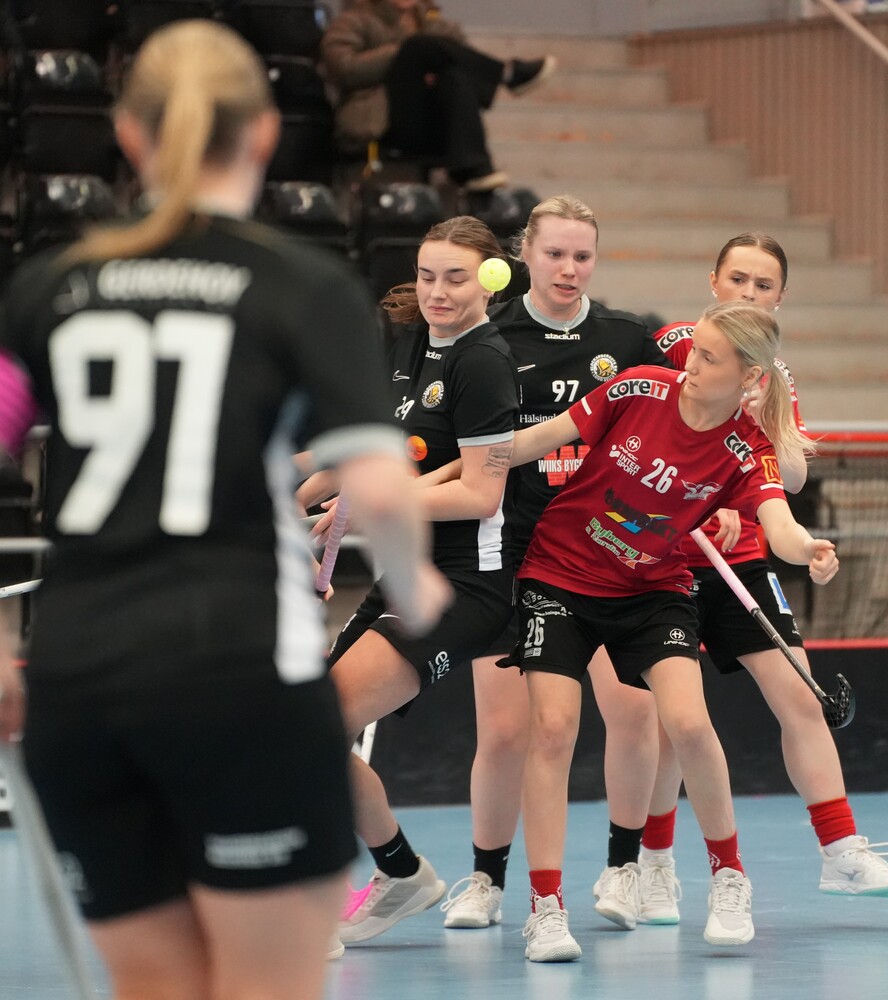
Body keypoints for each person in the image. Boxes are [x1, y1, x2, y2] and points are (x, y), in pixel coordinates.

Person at [0, 21, 448, 1000]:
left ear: (128, 134)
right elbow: (378, 484)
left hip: (82, 683)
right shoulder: (303, 286)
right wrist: (419, 594)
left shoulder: (49, 286)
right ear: (264, 134)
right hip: (241, 680)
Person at [501, 300, 841, 961]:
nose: (690, 366)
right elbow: (530, 443)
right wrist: (454, 459)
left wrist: (808, 551)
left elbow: (779, 523)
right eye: (695, 350)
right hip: (559, 573)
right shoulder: (638, 388)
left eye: (709, 359)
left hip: (652, 589)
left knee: (687, 723)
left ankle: (729, 877)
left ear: (749, 378)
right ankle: (545, 908)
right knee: (553, 729)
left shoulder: (748, 448)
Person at [619, 233, 888, 926]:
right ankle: (655, 867)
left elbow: (793, 475)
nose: (748, 293)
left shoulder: (774, 375)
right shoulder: (677, 346)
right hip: (664, 564)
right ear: (714, 281)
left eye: (763, 285)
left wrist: (763, 416)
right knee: (672, 723)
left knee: (801, 696)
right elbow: (644, 436)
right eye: (738, 280)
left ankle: (841, 852)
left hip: (744, 561)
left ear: (780, 298)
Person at [437, 194, 671, 932]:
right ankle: (486, 879)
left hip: (606, 552)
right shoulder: (487, 338)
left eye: (582, 255)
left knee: (634, 712)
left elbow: (680, 427)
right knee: (508, 732)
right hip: (507, 554)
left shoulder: (629, 339)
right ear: (524, 256)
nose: (569, 268)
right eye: (555, 254)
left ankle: (624, 869)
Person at [300, 215, 520, 947]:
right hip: (406, 574)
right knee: (310, 731)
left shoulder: (483, 362)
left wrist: (374, 505)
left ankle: (316, 902)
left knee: (313, 724)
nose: (437, 292)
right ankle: (400, 873)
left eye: (455, 277)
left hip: (467, 585)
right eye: (427, 276)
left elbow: (481, 494)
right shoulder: (416, 345)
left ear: (488, 281)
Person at [321, 0, 555, 191]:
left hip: (432, 121)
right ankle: (507, 73)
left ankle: (473, 167)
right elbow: (344, 68)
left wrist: (431, 69)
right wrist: (401, 53)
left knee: (453, 75)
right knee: (416, 46)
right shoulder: (354, 19)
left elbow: (465, 62)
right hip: (383, 122)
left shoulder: (432, 20)